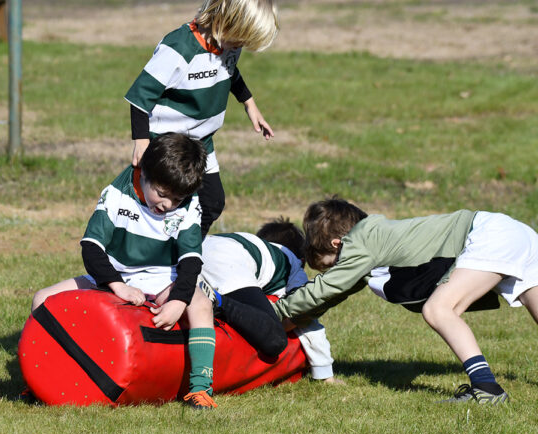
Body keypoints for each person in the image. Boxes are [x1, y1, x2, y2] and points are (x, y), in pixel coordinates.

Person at [272, 197, 538, 404]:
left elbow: (324, 290)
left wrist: (272, 312)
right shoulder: (372, 248)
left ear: (336, 244)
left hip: (488, 234)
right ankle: (486, 387)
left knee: (438, 309)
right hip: (512, 231)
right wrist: (285, 322)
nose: (334, 273)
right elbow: (329, 297)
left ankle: (486, 387)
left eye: (330, 267)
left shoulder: (360, 241)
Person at [31, 133, 219, 409]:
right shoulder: (118, 193)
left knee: (200, 305)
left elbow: (191, 261)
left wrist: (178, 299)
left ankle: (201, 389)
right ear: (145, 172)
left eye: (176, 199)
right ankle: (39, 378)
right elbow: (91, 248)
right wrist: (117, 286)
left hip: (162, 278)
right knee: (42, 299)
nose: (167, 205)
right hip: (113, 277)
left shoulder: (189, 205)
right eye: (163, 194)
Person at [124, 0, 278, 237]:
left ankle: (187, 253)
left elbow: (229, 72)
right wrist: (142, 141)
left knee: (212, 202)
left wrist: (250, 104)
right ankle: (155, 253)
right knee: (162, 205)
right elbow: (140, 95)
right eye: (240, 39)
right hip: (168, 144)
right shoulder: (178, 48)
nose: (239, 46)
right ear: (225, 18)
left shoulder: (228, 44)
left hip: (201, 142)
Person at [195, 218, 338, 382]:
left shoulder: (249, 242)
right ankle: (218, 301)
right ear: (302, 260)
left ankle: (204, 293)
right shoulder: (294, 264)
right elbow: (306, 314)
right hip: (226, 264)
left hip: (200, 248)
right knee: (275, 340)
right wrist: (325, 373)